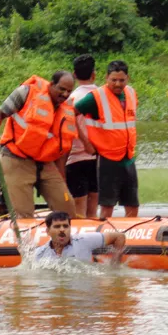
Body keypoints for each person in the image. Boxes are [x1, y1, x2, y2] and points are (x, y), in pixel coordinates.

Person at [0, 71, 78, 219]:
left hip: (46, 164)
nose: (65, 94)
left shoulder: (68, 108)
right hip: (16, 159)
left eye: (69, 91)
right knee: (24, 214)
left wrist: (62, 178)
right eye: (61, 89)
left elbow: (63, 148)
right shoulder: (26, 92)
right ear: (52, 84)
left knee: (67, 205)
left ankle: (64, 238)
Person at [74, 60, 139, 219]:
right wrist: (86, 142)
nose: (117, 84)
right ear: (106, 78)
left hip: (128, 157)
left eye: (121, 80)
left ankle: (129, 238)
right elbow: (71, 114)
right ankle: (104, 240)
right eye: (113, 80)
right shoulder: (96, 97)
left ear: (127, 78)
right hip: (107, 159)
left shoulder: (130, 93)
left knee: (133, 205)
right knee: (107, 206)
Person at [65, 54, 99, 218]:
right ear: (94, 74)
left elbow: (70, 121)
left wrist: (84, 143)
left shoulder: (70, 98)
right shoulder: (103, 96)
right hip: (98, 158)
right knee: (93, 208)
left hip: (75, 158)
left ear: (75, 75)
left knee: (78, 209)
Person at [34, 211, 127, 262]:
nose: (62, 230)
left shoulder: (84, 240)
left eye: (65, 226)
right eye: (57, 226)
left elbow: (119, 237)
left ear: (70, 228)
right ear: (48, 231)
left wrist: (114, 268)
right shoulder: (39, 253)